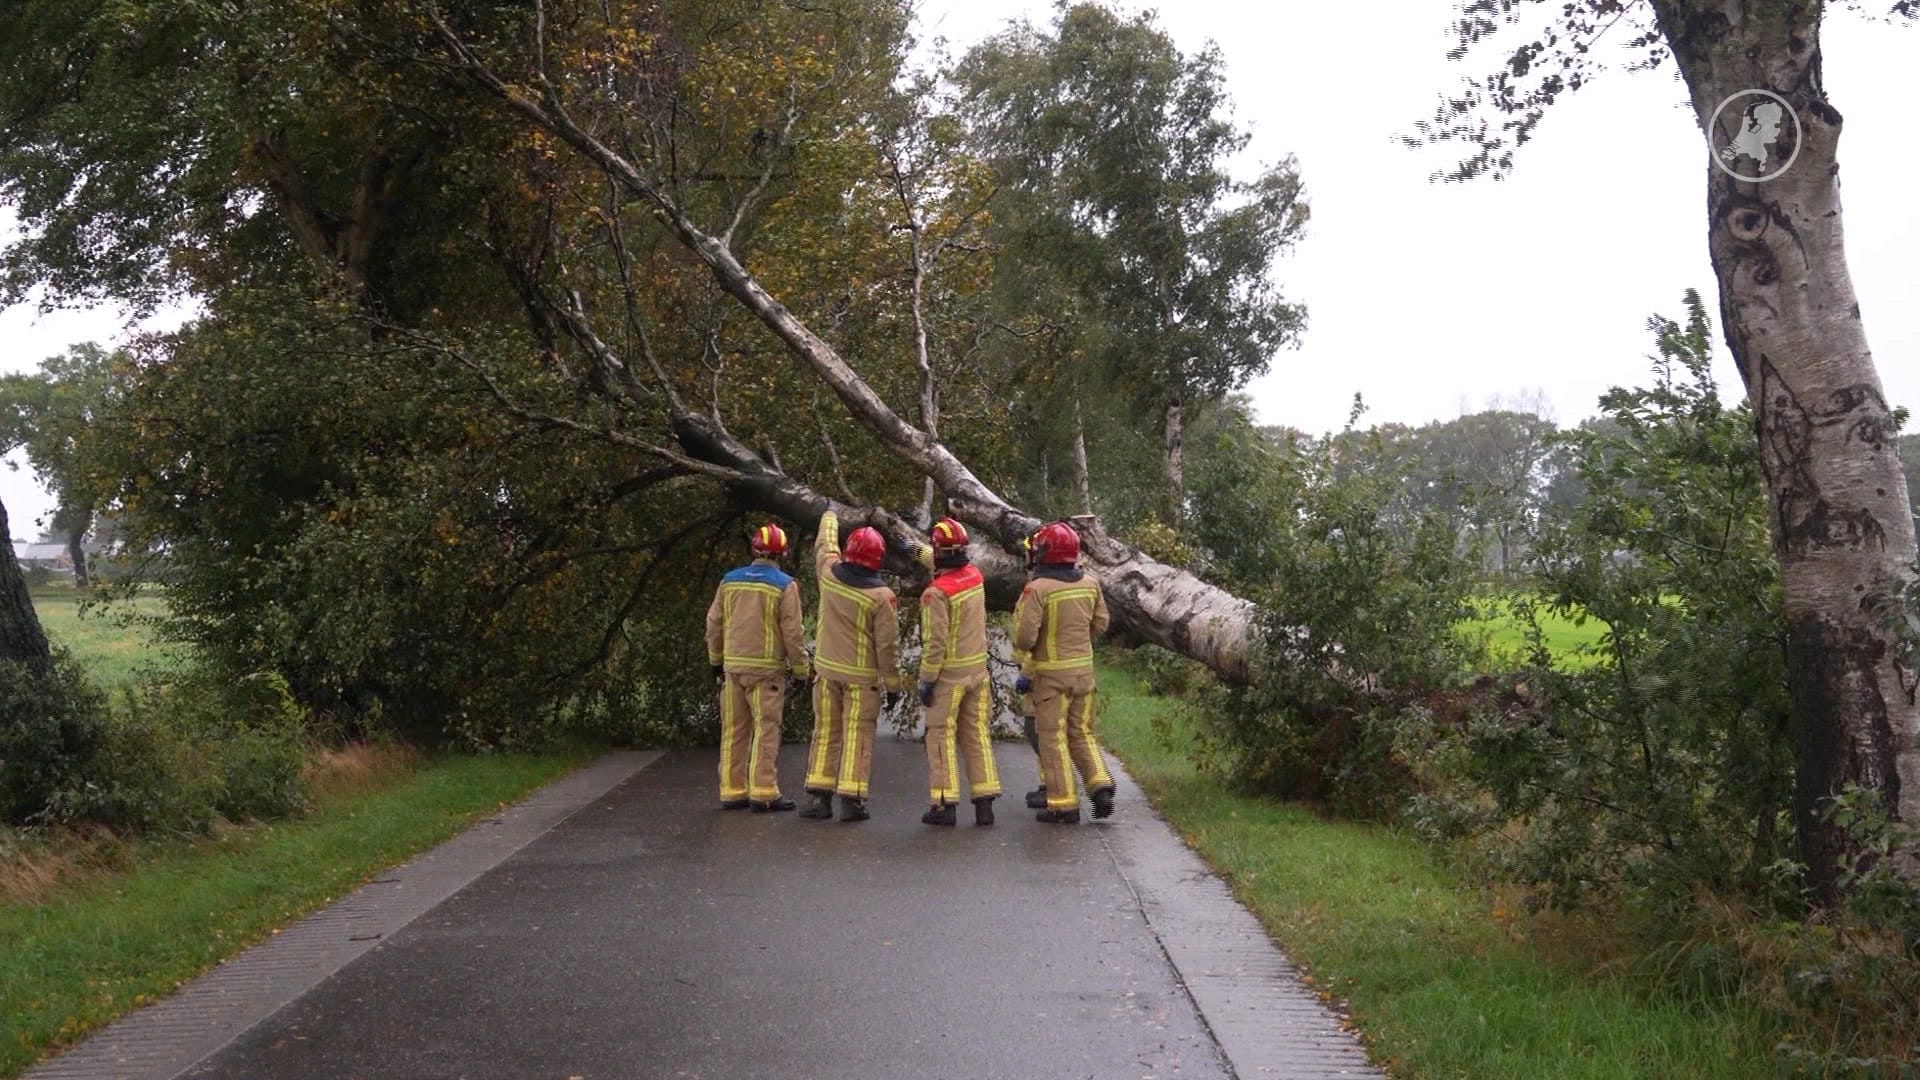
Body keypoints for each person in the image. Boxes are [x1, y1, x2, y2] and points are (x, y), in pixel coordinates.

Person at [799, 510, 903, 822]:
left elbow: (824, 546)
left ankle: (820, 798)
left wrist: (829, 514)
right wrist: (894, 686)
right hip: (862, 681)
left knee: (825, 732)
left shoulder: (828, 575)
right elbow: (887, 647)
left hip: (827, 673)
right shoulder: (882, 597)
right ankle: (852, 800)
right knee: (858, 736)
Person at [1012, 521, 1114, 824]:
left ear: (1046, 553)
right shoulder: (1090, 584)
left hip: (1049, 678)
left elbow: (1025, 638)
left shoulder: (1038, 590)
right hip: (1083, 674)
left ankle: (1063, 804)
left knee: (1052, 739)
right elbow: (1101, 623)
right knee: (1081, 733)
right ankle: (1101, 784)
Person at [704, 523, 811, 812]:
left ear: (754, 549)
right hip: (767, 673)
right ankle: (764, 793)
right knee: (766, 730)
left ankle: (732, 790)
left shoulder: (730, 581)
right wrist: (801, 670)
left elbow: (714, 623)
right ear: (783, 552)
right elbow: (793, 632)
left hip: (733, 668)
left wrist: (716, 660)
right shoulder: (784, 585)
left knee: (734, 730)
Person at [913, 517, 1002, 827]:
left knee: (940, 737)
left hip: (948, 677)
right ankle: (985, 804)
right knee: (976, 734)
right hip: (977, 672)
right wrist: (916, 549)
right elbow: (947, 563)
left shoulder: (935, 594)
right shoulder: (974, 576)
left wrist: (926, 680)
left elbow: (935, 644)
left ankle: (943, 804)